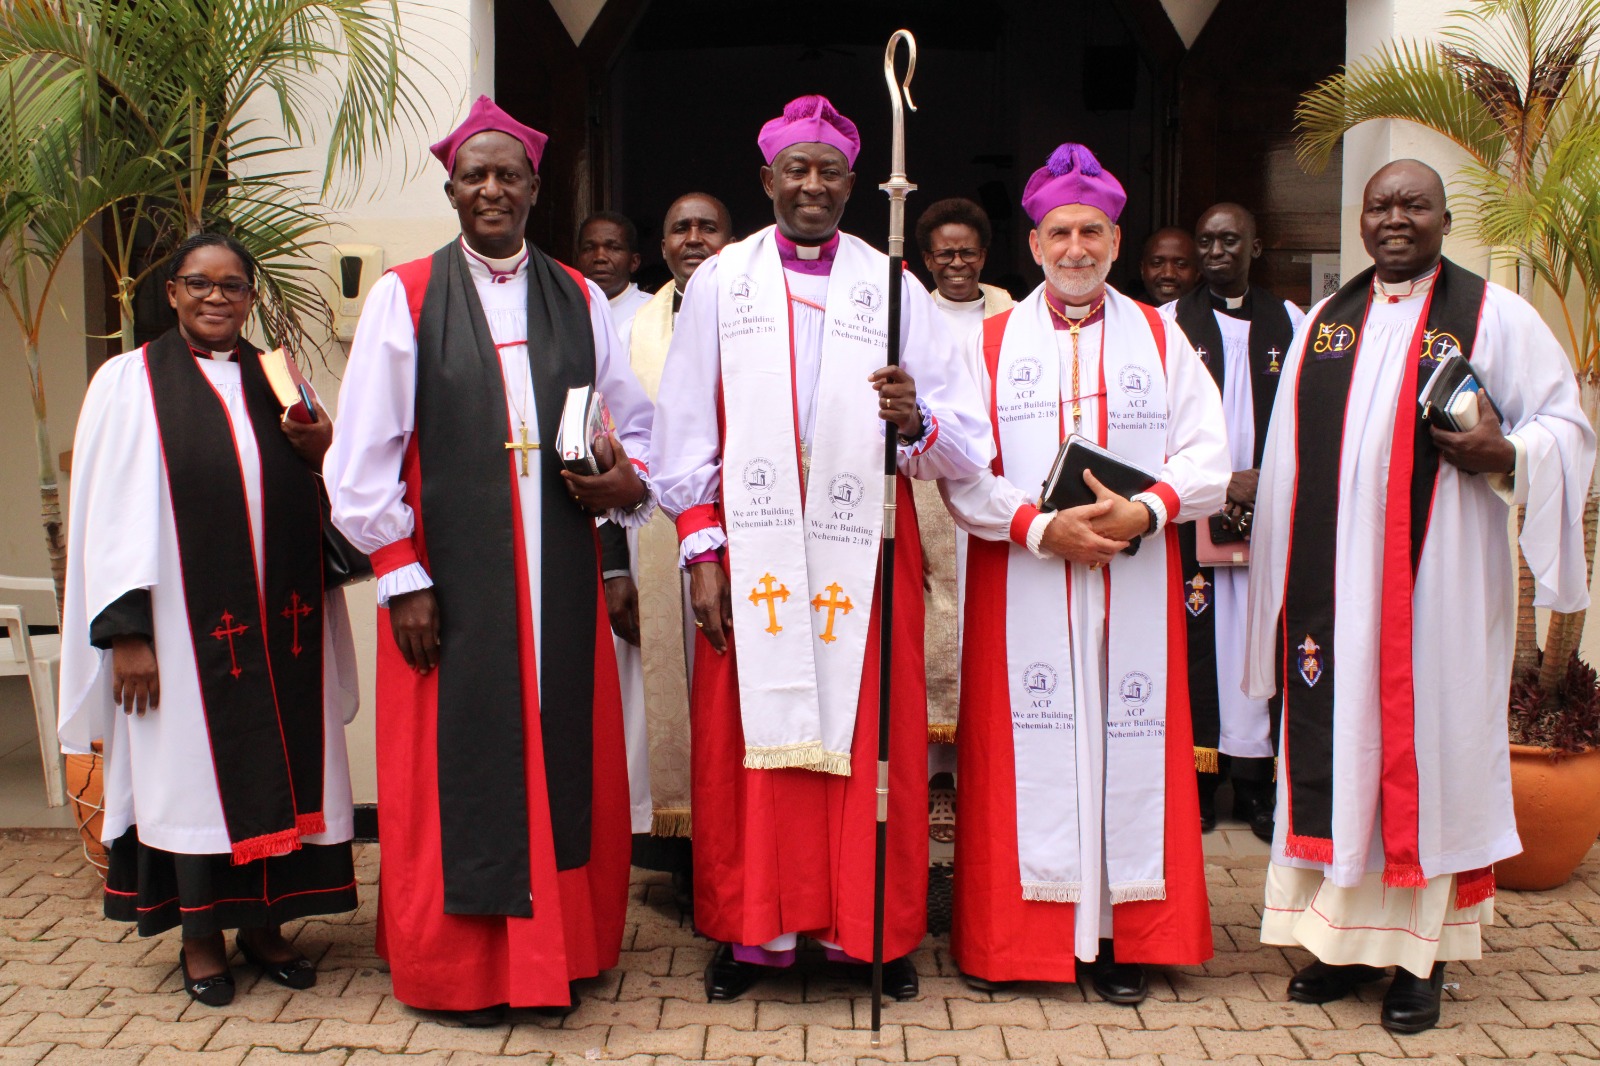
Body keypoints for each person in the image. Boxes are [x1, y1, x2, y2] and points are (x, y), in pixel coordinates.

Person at [323, 95, 655, 1025]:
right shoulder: (408, 297)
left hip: (559, 576)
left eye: (510, 174)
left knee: (556, 754)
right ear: (452, 188)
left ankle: (561, 954)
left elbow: (634, 425)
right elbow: (360, 461)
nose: (494, 188)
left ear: (535, 188)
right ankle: (460, 971)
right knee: (454, 772)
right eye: (477, 175)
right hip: (449, 582)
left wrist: (627, 482)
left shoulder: (577, 294)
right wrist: (400, 573)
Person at [652, 94, 991, 1002]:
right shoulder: (722, 281)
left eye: (830, 171)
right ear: (766, 181)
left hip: (866, 539)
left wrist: (913, 417)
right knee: (750, 739)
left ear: (853, 183)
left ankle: (864, 930)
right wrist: (702, 548)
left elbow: (964, 435)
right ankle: (753, 930)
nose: (812, 185)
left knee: (867, 732)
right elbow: (682, 425)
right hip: (754, 537)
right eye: (795, 170)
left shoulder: (895, 287)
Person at [1244, 159, 1594, 1033]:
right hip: (1332, 595)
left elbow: (1566, 425)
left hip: (1434, 593)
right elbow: (1286, 461)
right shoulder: (1328, 320)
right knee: (1342, 751)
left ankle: (1419, 960)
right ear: (1360, 220)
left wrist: (1506, 454)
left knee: (1424, 760)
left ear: (1443, 218)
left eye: (1414, 205)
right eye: (1380, 205)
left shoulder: (1494, 316)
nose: (1395, 218)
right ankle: (1335, 943)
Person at [943, 143, 1229, 1005]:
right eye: (1059, 232)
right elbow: (962, 470)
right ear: (1032, 245)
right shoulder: (987, 344)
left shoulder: (1160, 334)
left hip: (1132, 587)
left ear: (1115, 238)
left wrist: (1147, 510)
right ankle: (1019, 942)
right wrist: (1036, 526)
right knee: (1025, 755)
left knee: (1124, 747)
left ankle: (1120, 937)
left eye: (1093, 231)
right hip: (1023, 582)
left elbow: (1211, 452)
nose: (1076, 248)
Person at [57, 233, 360, 1007]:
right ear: (172, 293)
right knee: (191, 781)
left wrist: (322, 446)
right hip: (183, 635)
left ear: (251, 298)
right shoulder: (130, 382)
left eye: (232, 286)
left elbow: (327, 487)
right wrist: (127, 631)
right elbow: (114, 517)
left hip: (279, 623)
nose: (216, 297)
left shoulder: (277, 377)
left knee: (289, 767)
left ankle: (266, 927)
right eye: (200, 284)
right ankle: (200, 940)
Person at [1164, 203, 1304, 841]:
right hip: (1197, 512)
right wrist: (1218, 483)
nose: (1217, 252)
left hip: (1269, 513)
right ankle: (1196, 783)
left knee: (1260, 640)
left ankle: (1256, 789)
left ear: (1257, 245)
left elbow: (1309, 419)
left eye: (1230, 241)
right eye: (1207, 241)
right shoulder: (1167, 325)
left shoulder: (1294, 324)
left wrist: (1263, 483)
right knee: (1199, 641)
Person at [610, 191, 734, 904]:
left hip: (746, 543)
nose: (693, 238)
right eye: (679, 228)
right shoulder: (634, 328)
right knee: (668, 700)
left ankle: (736, 851)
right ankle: (683, 861)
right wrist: (613, 567)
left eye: (707, 227)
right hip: (655, 544)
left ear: (731, 238)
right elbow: (608, 443)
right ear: (661, 249)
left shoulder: (763, 307)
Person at [912, 195, 1014, 846]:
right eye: (944, 253)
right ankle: (936, 781)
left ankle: (989, 774)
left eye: (967, 251)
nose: (956, 263)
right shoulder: (909, 314)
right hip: (925, 488)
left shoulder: (1015, 317)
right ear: (927, 259)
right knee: (930, 625)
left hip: (996, 485)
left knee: (990, 623)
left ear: (984, 255)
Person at [579, 210, 652, 348]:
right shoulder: (564, 312)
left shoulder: (654, 311)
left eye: (613, 248)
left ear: (634, 262)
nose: (600, 257)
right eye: (589, 248)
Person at [1134, 227, 1200, 306]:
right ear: (1142, 269)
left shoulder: (1212, 316)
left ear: (1197, 271)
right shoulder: (1127, 315)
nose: (1168, 274)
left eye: (1180, 264)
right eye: (1157, 263)